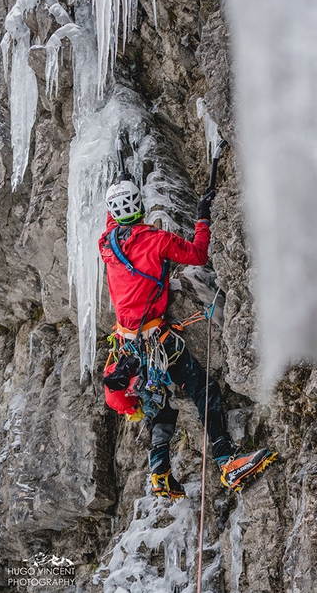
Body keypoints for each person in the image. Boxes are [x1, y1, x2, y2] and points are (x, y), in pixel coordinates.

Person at [98, 175, 276, 499]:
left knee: (158, 404)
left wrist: (118, 183)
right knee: (203, 389)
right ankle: (227, 460)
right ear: (139, 206)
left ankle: (160, 473)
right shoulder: (155, 240)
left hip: (128, 344)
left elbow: (117, 217)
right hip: (157, 342)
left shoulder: (107, 244)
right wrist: (202, 215)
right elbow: (197, 254)